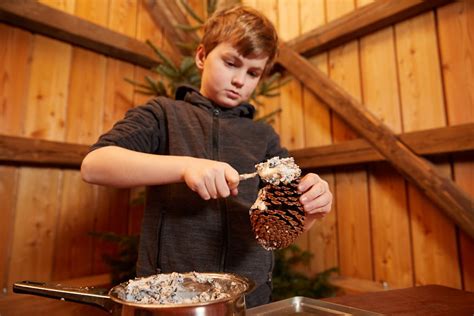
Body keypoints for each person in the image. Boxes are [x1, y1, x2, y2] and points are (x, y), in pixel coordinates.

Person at [81, 5, 332, 308]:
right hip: (172, 301)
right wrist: (186, 166)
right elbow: (95, 165)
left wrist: (310, 211)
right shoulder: (163, 115)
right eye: (230, 63)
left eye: (253, 73)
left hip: (249, 302)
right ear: (201, 56)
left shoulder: (264, 137)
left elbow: (280, 229)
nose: (240, 80)